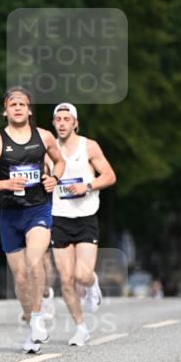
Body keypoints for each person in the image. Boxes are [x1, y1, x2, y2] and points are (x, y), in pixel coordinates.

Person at [0, 87, 64, 354]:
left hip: (38, 209)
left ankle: (37, 317)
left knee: (34, 261)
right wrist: (6, 183)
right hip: (10, 214)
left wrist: (54, 179)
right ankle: (31, 322)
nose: (17, 108)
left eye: (22, 104)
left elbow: (59, 162)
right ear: (5, 110)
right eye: (12, 104)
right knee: (21, 277)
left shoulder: (44, 137)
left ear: (30, 110)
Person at [49, 102, 117, 346]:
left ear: (75, 122)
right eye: (58, 119)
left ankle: (92, 283)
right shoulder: (49, 148)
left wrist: (86, 186)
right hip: (59, 217)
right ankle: (80, 327)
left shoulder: (89, 146)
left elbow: (109, 176)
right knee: (66, 280)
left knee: (81, 274)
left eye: (67, 119)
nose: (63, 123)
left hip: (86, 217)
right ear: (54, 123)